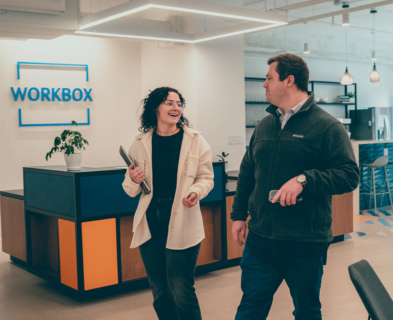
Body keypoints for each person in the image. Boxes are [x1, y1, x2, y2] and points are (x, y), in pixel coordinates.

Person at [231, 53, 360, 320]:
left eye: (269, 78)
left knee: (306, 311)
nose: (264, 85)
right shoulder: (265, 125)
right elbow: (247, 171)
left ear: (289, 80)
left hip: (304, 241)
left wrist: (305, 180)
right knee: (250, 308)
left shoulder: (328, 127)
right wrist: (238, 215)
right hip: (260, 238)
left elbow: (349, 175)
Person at [122, 87, 214, 320]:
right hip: (150, 220)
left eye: (179, 103)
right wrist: (133, 180)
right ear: (155, 108)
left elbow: (206, 178)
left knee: (180, 289)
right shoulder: (140, 143)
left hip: (182, 217)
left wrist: (196, 190)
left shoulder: (195, 141)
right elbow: (130, 189)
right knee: (159, 291)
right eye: (169, 103)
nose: (176, 108)